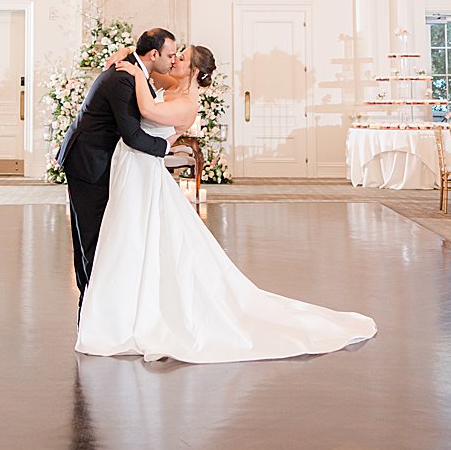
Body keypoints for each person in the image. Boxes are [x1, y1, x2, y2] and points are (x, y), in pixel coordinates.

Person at [75, 43, 376, 363]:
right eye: (175, 53)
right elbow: (148, 74)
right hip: (131, 169)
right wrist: (126, 59)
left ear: (192, 70)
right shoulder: (172, 85)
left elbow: (148, 110)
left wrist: (135, 73)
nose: (174, 58)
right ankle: (121, 307)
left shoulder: (188, 104)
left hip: (143, 170)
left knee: (137, 236)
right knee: (130, 239)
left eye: (182, 57)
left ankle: (136, 315)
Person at [56, 28, 182, 303]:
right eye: (170, 55)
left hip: (102, 158)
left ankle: (100, 297)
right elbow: (133, 135)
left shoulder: (134, 70)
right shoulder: (123, 78)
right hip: (87, 160)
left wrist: (125, 50)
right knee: (90, 232)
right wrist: (167, 146)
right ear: (153, 54)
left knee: (103, 231)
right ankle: (90, 302)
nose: (173, 60)